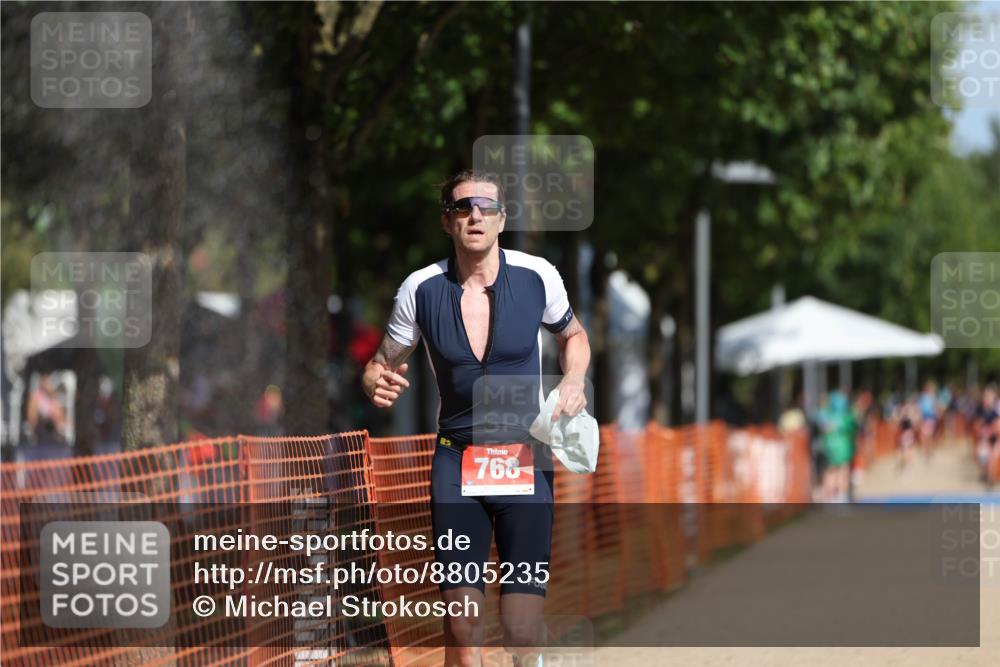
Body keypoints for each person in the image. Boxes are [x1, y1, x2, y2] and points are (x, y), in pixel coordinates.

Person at [362, 170, 590, 667]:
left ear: (502, 219)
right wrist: (374, 379)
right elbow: (381, 361)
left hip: (523, 461)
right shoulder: (420, 289)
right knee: (463, 630)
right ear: (447, 221)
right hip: (455, 465)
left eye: (486, 207)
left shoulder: (537, 276)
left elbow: (574, 335)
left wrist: (572, 381)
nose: (475, 215)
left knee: (521, 631)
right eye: (463, 207)